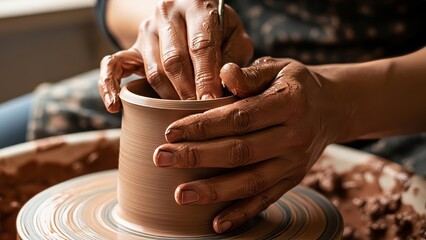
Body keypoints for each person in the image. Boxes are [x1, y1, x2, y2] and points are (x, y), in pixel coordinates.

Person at [0, 0, 425, 234]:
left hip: (382, 95)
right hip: (185, 81)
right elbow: (113, 4)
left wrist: (340, 104)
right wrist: (170, 18)